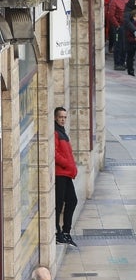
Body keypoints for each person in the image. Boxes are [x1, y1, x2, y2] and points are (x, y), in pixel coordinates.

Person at [53, 106, 79, 247]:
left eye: (64, 117)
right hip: (60, 174)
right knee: (58, 204)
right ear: (55, 118)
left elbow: (67, 153)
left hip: (66, 173)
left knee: (72, 200)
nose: (63, 119)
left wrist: (72, 167)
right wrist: (68, 165)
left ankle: (66, 232)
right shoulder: (55, 132)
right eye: (60, 117)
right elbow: (55, 153)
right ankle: (58, 233)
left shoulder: (62, 132)